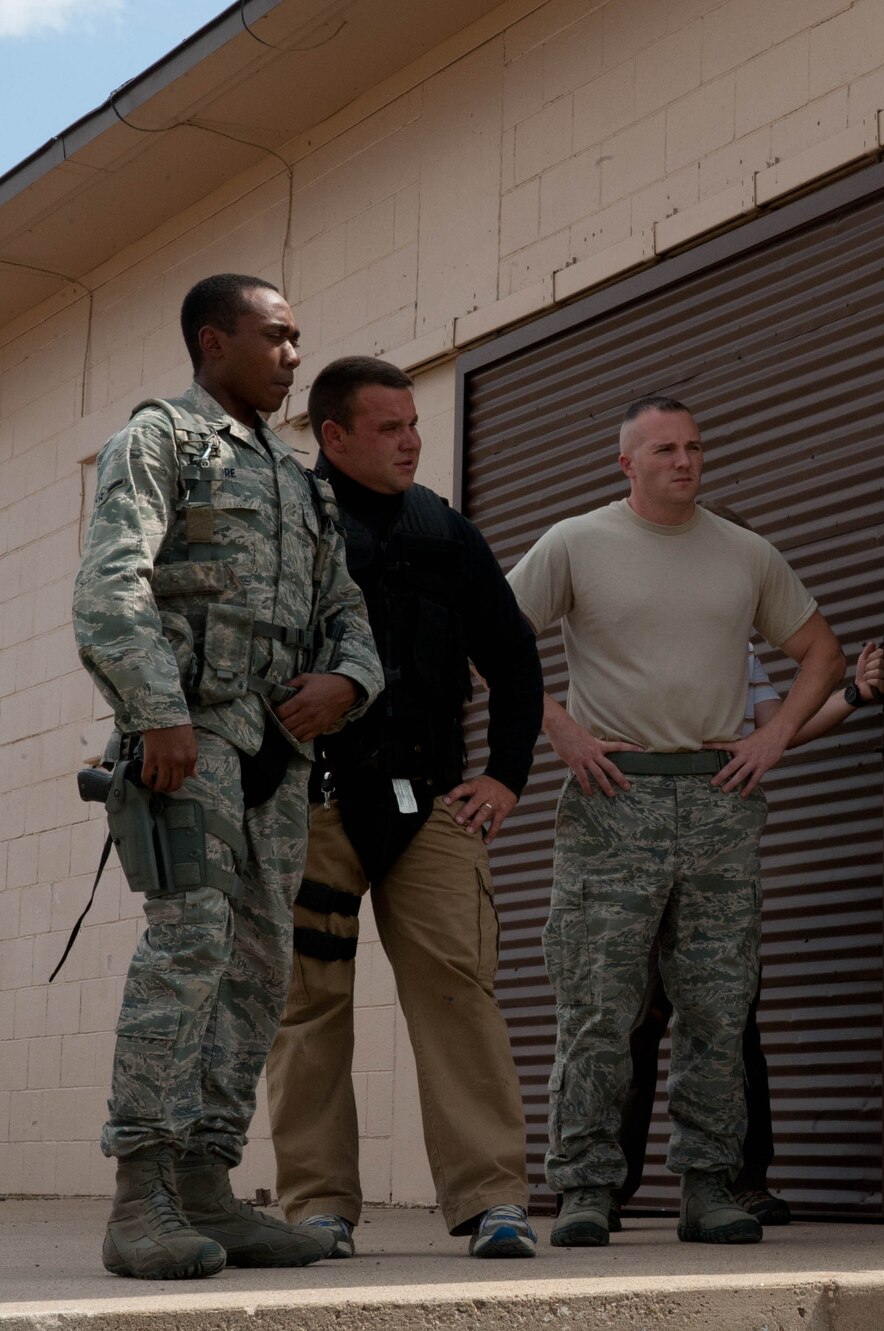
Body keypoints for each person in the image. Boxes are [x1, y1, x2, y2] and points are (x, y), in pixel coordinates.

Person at [74, 274, 383, 1280]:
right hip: (190, 739)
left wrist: (345, 679)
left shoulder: (299, 479)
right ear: (216, 340)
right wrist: (158, 710)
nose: (295, 355)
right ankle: (143, 1197)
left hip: (278, 755)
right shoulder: (160, 437)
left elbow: (346, 609)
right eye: (276, 337)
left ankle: (208, 1181)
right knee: (189, 944)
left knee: (256, 970)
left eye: (299, 338)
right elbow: (111, 582)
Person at [508, 394, 845, 1247]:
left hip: (718, 800)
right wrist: (564, 731)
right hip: (613, 801)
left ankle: (710, 1185)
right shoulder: (576, 542)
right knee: (598, 1004)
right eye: (664, 450)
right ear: (627, 463)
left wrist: (772, 736)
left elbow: (821, 653)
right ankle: (585, 1188)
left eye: (695, 446)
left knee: (717, 1006)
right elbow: (493, 643)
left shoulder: (746, 552)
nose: (685, 461)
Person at [265, 356, 547, 1260]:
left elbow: (517, 664)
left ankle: (494, 1201)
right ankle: (318, 1206)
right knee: (308, 1011)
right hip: (313, 805)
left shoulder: (447, 534)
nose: (412, 441)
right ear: (333, 436)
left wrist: (505, 775)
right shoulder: (279, 524)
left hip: (431, 809)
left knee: (460, 998)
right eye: (389, 428)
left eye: (415, 423)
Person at [616, 638, 884, 1226]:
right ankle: (605, 1186)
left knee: (731, 1019)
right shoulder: (623, 623)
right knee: (633, 1023)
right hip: (634, 843)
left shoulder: (735, 641)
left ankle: (743, 1181)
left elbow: (775, 730)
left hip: (719, 847)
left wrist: (854, 694)